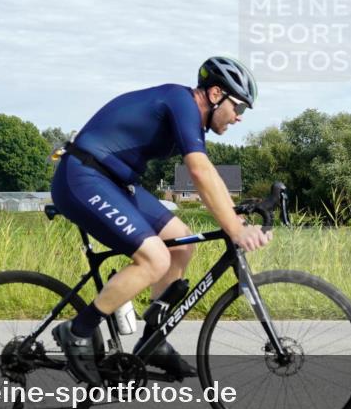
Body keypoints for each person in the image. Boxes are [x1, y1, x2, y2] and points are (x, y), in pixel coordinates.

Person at [50, 56, 270, 383]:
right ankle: (78, 330)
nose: (238, 117)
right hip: (82, 176)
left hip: (116, 183)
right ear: (214, 94)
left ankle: (153, 340)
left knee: (181, 243)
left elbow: (207, 172)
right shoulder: (181, 103)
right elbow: (198, 171)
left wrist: (236, 214)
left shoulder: (190, 117)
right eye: (238, 107)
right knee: (155, 258)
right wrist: (235, 229)